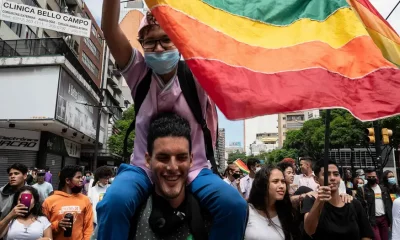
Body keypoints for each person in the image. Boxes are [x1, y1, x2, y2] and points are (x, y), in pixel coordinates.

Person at [97, 2, 247, 240]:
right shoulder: (138, 71)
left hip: (196, 167)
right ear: (142, 46)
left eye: (166, 40)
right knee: (114, 203)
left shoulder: (197, 73)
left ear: (179, 41)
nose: (158, 48)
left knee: (235, 206)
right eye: (150, 42)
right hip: (142, 168)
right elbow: (109, 28)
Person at [302, 160, 373, 240]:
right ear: (316, 179)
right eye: (326, 174)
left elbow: (366, 234)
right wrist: (319, 201)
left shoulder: (354, 204)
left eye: (336, 174)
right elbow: (309, 230)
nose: (332, 178)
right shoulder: (311, 201)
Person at [245, 165, 300, 240]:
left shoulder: (287, 213)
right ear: (263, 184)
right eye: (275, 181)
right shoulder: (246, 211)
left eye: (283, 181)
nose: (281, 186)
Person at [42, 165, 93, 240]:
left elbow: (88, 227)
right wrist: (57, 225)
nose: (82, 180)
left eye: (82, 177)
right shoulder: (49, 201)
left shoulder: (85, 200)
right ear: (67, 180)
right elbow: (42, 228)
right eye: (78, 177)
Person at [356, 168, 392, 240]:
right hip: (372, 220)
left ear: (376, 176)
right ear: (366, 178)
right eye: (369, 177)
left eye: (373, 176)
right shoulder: (362, 190)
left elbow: (389, 204)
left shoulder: (383, 188)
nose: (372, 178)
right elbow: (360, 207)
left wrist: (390, 220)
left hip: (384, 219)